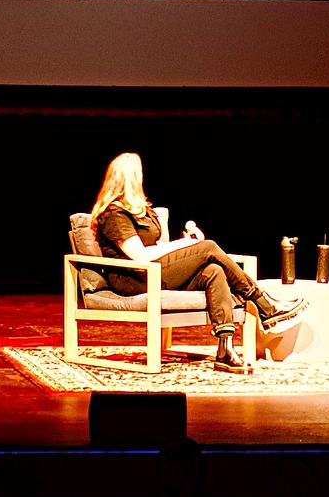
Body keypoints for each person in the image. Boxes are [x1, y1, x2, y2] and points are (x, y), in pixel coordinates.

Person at [90, 152, 302, 369]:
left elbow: (155, 248)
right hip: (132, 278)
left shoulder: (143, 212)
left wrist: (186, 242)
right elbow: (141, 255)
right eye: (139, 173)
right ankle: (263, 303)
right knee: (208, 247)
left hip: (154, 271)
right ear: (131, 178)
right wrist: (188, 246)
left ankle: (225, 349)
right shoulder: (114, 214)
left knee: (213, 271)